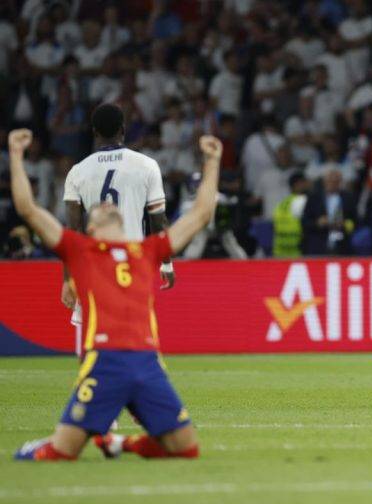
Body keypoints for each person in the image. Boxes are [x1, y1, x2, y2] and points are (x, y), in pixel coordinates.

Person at [9, 128, 223, 461]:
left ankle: (119, 443)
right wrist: (16, 155)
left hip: (147, 362)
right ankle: (34, 449)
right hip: (104, 362)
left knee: (187, 450)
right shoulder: (80, 250)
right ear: (91, 228)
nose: (106, 205)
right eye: (98, 208)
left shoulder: (148, 250)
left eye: (110, 206)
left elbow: (200, 214)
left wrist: (213, 161)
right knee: (62, 453)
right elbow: (28, 209)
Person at [61, 103, 174, 357]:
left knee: (93, 340)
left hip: (93, 266)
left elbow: (73, 232)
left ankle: (91, 391)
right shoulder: (147, 166)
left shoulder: (77, 172)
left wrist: (68, 279)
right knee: (137, 337)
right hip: (132, 265)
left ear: (94, 132)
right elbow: (158, 222)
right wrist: (166, 264)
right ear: (124, 130)